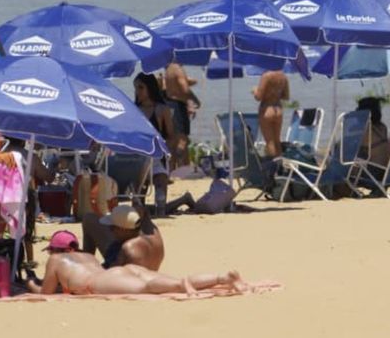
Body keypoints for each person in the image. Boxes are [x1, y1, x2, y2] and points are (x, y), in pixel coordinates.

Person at [27, 230, 247, 297]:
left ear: (57, 250)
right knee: (165, 280)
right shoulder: (87, 256)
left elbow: (46, 293)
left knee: (149, 289)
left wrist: (29, 284)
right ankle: (222, 278)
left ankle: (186, 285)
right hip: (120, 271)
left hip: (100, 281)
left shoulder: (56, 260)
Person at [133, 73, 174, 214]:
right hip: (139, 157)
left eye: (141, 87)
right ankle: (184, 200)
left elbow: (170, 135)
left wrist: (170, 159)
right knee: (138, 200)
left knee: (160, 199)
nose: (137, 91)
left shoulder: (162, 109)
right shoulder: (134, 111)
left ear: (150, 88)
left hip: (158, 155)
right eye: (136, 88)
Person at [98, 203, 164, 270]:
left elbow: (108, 274)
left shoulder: (128, 248)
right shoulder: (155, 235)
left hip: (132, 278)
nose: (110, 230)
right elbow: (143, 211)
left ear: (123, 229)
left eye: (112, 227)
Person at [162, 59, 197, 170]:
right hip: (178, 105)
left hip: (168, 105)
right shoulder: (178, 69)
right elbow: (185, 89)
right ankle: (181, 166)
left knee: (171, 140)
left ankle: (171, 168)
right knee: (182, 140)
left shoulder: (168, 70)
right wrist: (196, 101)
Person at [252, 69, 289, 159]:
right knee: (277, 140)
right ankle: (280, 165)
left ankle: (273, 168)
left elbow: (258, 97)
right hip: (278, 109)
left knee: (269, 141)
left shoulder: (267, 76)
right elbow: (286, 96)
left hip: (267, 109)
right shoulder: (283, 76)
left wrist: (254, 90)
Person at [356, 96, 390, 169]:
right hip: (383, 169)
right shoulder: (383, 127)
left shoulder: (364, 131)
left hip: (371, 172)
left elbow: (346, 148)